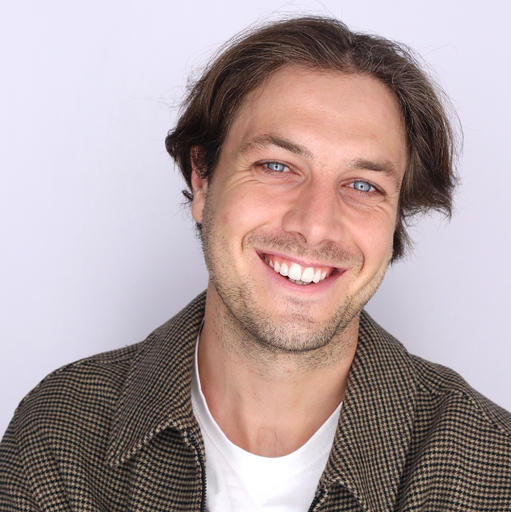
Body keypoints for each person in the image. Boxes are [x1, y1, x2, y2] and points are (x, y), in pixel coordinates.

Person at [1, 15, 510, 512]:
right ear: (203, 179)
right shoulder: (59, 434)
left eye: (363, 185)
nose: (315, 225)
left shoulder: (493, 468)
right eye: (277, 166)